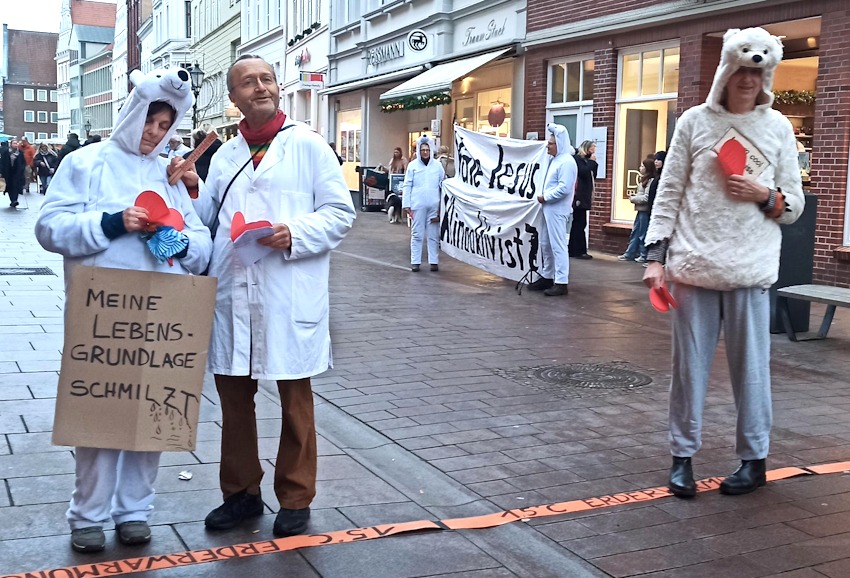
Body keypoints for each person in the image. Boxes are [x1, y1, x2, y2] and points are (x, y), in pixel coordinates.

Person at [176, 55, 355, 538]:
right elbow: (209, 218)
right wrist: (192, 189)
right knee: (234, 402)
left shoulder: (309, 146)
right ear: (233, 97)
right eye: (248, 83)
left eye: (267, 79)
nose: (261, 87)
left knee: (295, 400)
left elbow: (341, 212)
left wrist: (294, 231)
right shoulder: (226, 157)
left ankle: (295, 498)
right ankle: (241, 494)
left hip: (286, 292)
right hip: (234, 293)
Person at [35, 67, 212, 553]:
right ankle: (87, 514)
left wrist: (172, 240)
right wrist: (112, 223)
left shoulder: (171, 175)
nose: (154, 133)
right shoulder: (85, 163)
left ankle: (135, 510)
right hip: (104, 314)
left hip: (164, 314)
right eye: (150, 121)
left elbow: (201, 247)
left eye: (164, 125)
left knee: (152, 416)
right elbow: (50, 228)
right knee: (99, 414)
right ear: (133, 113)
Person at [643, 27, 804, 498]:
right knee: (687, 370)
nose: (749, 79)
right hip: (693, 265)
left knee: (752, 371)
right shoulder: (694, 122)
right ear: (727, 71)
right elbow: (668, 191)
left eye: (758, 71)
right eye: (742, 70)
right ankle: (681, 458)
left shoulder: (778, 128)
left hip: (749, 270)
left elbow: (792, 204)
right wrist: (656, 257)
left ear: (765, 74)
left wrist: (764, 194)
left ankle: (754, 460)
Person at [527, 124, 578, 296]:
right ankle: (547, 275)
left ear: (559, 144)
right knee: (545, 243)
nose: (547, 146)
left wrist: (545, 197)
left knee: (558, 245)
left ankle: (561, 281)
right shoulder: (555, 160)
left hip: (557, 209)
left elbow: (564, 188)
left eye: (551, 143)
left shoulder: (567, 162)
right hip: (549, 208)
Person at [402, 135, 444, 272]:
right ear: (419, 151)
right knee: (417, 234)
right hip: (417, 205)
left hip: (433, 205)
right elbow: (407, 185)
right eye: (422, 150)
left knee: (433, 235)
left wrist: (441, 207)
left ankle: (434, 261)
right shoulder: (412, 166)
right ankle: (415, 261)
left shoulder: (437, 166)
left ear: (431, 150)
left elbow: (443, 185)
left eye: (427, 150)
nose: (425, 152)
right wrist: (406, 204)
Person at [618, 158, 657, 262]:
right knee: (635, 232)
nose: (640, 168)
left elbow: (646, 197)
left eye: (643, 166)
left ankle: (643, 255)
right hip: (640, 210)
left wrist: (633, 198)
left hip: (644, 210)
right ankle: (630, 253)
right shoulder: (643, 179)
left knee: (642, 233)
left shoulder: (650, 180)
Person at [569, 140, 597, 260]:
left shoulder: (587, 161)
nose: (593, 151)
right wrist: (591, 162)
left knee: (580, 222)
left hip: (585, 194)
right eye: (592, 149)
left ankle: (577, 249)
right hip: (579, 195)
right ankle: (577, 250)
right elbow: (584, 172)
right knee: (579, 223)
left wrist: (593, 163)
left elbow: (592, 175)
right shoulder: (578, 159)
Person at [3, 140, 27, 207]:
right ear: (11, 144)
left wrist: (22, 169)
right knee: (10, 186)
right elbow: (2, 162)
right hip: (8, 172)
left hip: (17, 172)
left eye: (16, 143)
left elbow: (23, 162)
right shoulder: (6, 153)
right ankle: (12, 199)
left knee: (16, 186)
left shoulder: (20, 153)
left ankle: (15, 200)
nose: (15, 145)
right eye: (14, 143)